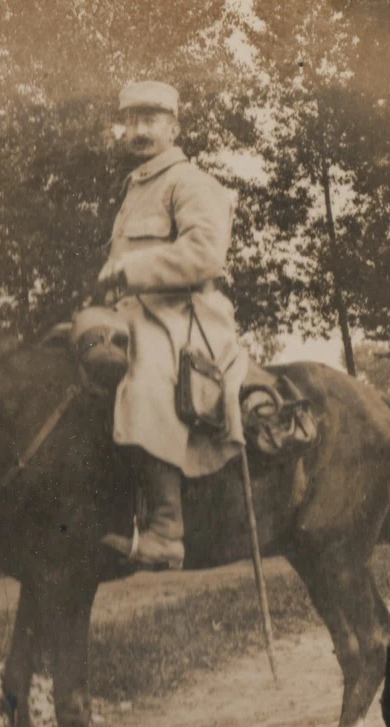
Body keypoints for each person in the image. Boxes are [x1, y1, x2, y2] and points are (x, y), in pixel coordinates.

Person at [97, 80, 248, 569]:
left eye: (150, 120)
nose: (139, 130)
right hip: (136, 312)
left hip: (187, 315)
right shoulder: (137, 187)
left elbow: (205, 254)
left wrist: (133, 271)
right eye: (132, 121)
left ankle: (165, 529)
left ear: (174, 127)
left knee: (142, 382)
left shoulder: (190, 182)